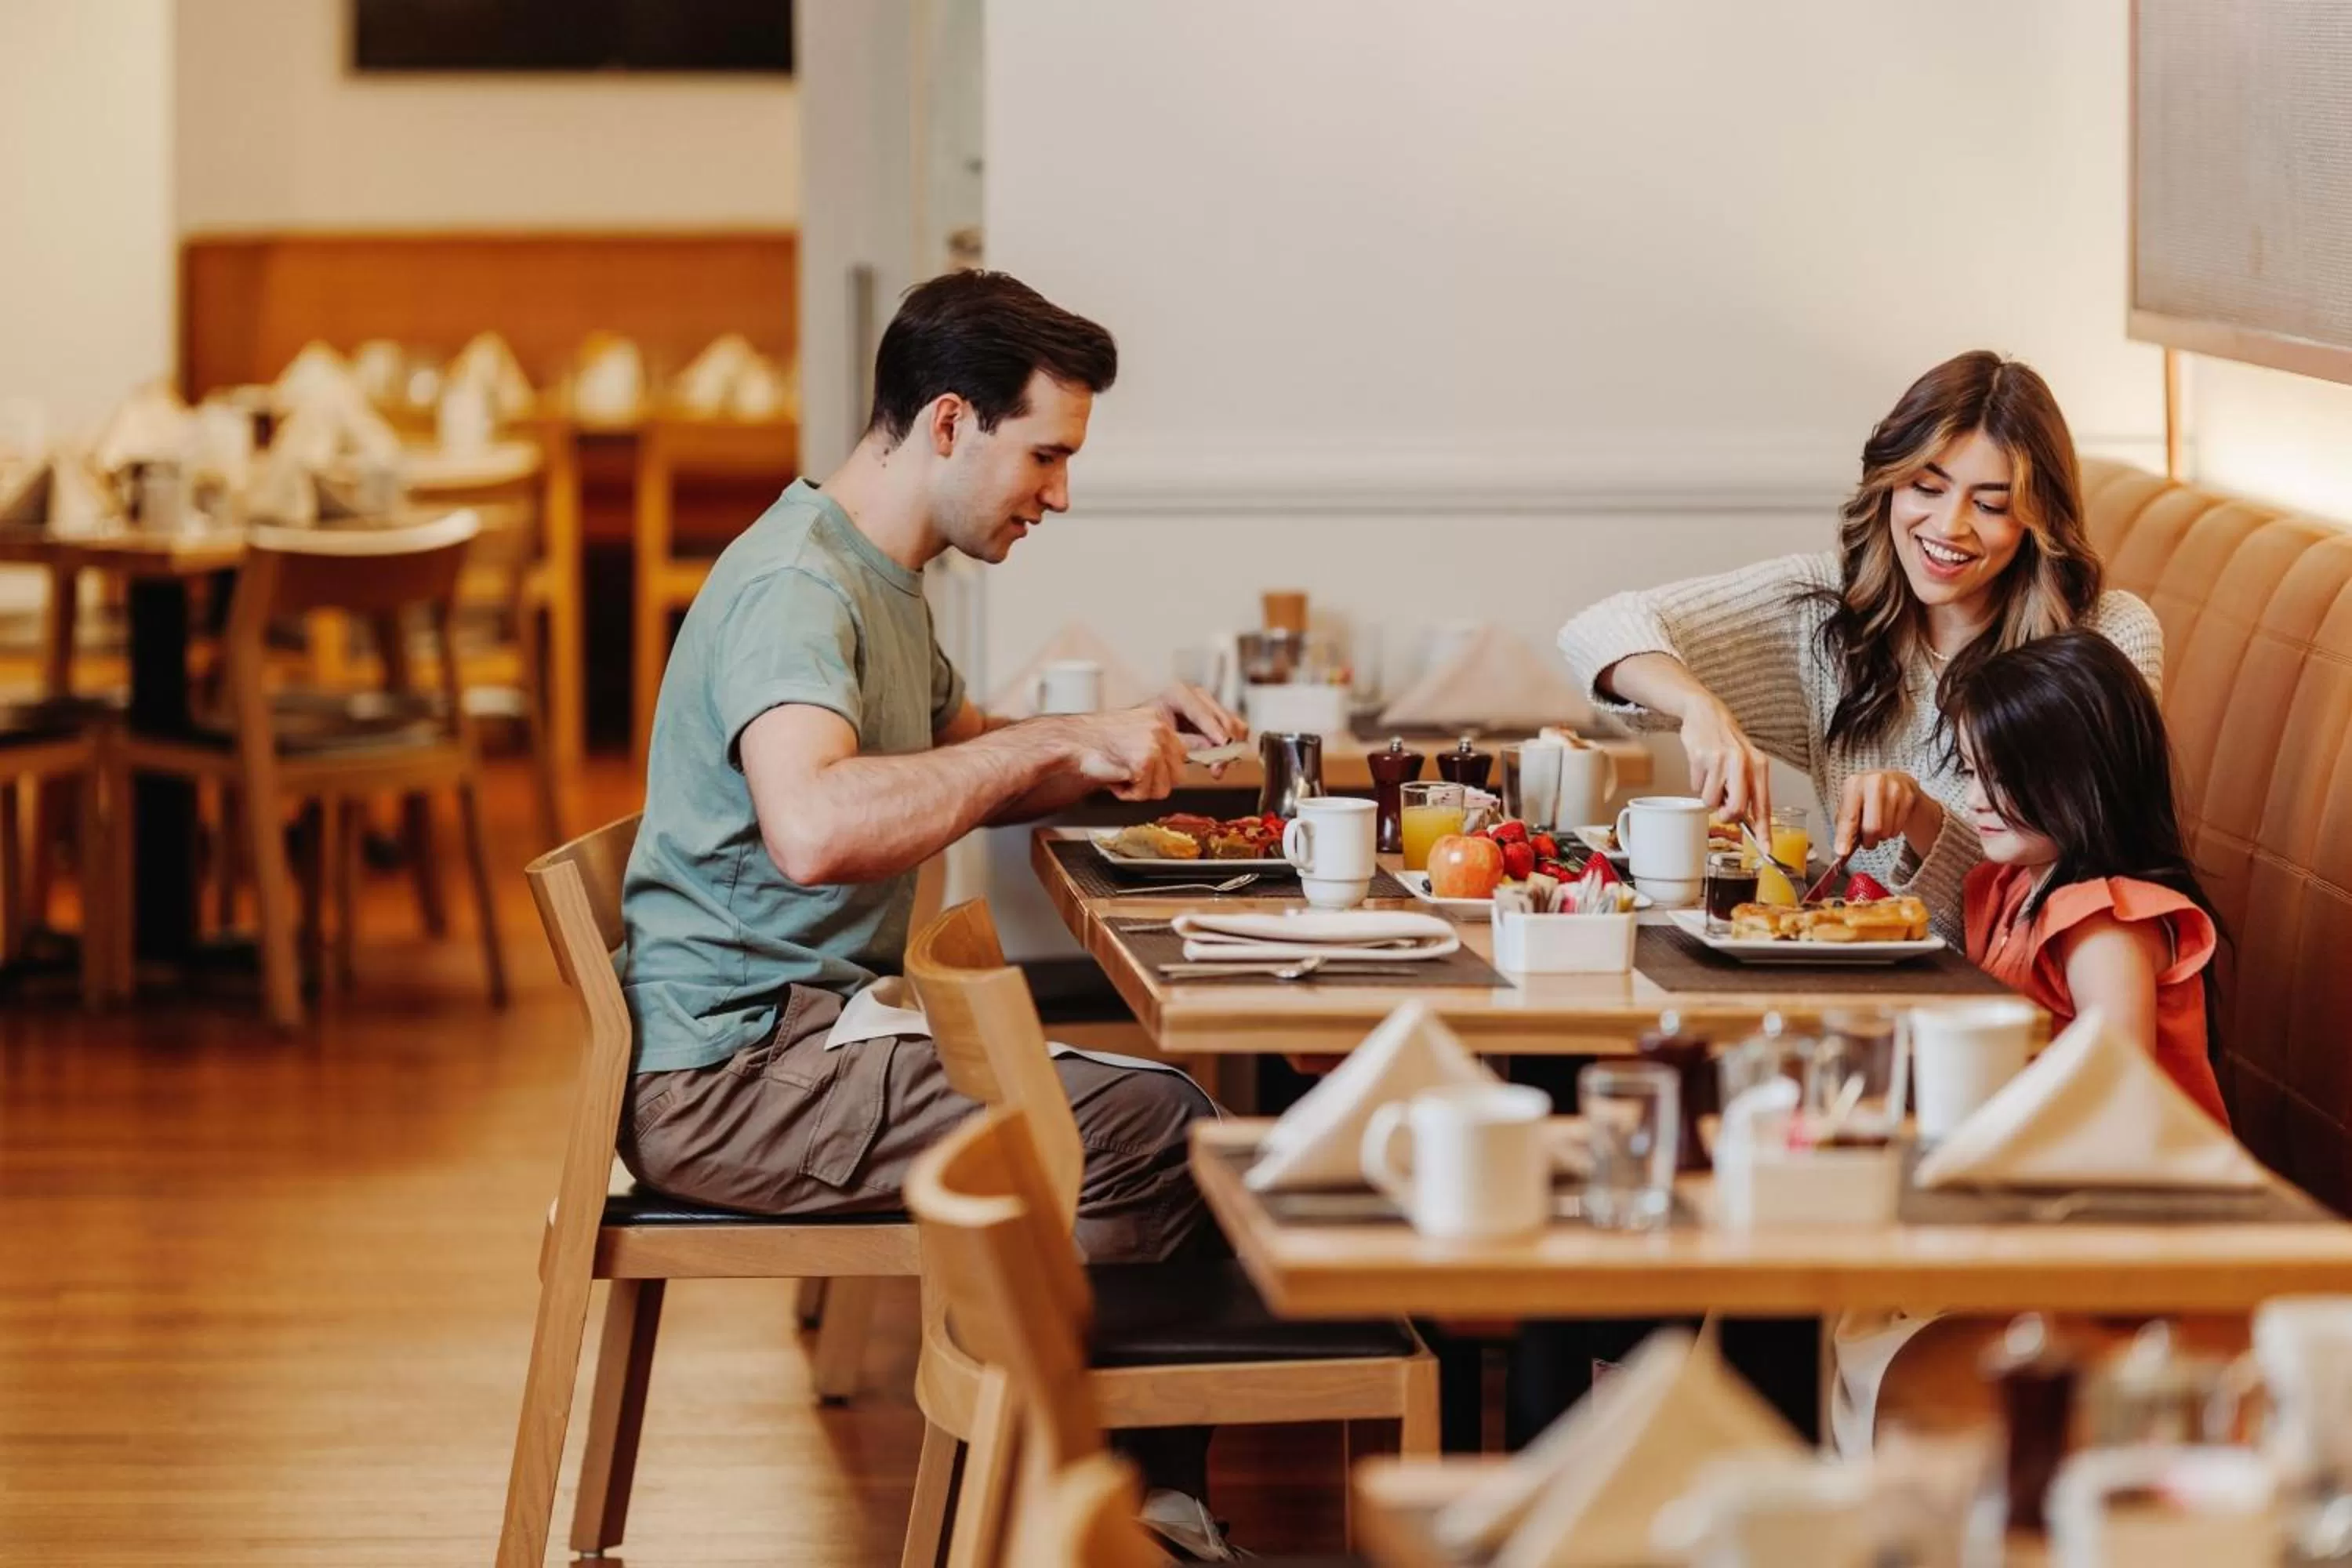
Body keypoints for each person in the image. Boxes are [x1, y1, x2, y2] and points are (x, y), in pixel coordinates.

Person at [615, 270, 1251, 1556]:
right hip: (740, 1072)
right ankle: (1118, 1516)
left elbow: (958, 750)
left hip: (801, 1036)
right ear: (951, 423)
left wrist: (1110, 744)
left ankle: (1074, 1490)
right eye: (1047, 456)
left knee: (1152, 1128)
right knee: (1163, 1131)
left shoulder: (875, 576)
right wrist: (1059, 745)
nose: (1060, 494)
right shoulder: (801, 586)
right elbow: (820, 826)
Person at [1556, 350, 2163, 940]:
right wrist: (1701, 710)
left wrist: (1924, 818)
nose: (1949, 526)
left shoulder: (2102, 640)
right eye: (1926, 487)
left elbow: (2072, 897)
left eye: (1990, 504)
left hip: (1999, 1006)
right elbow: (1601, 629)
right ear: (1889, 486)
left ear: (2038, 520)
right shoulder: (1831, 610)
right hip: (1858, 980)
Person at [1834, 630, 2234, 1451]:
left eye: (2003, 776)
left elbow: (2111, 1088)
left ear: (2079, 778)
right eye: (1974, 771)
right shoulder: (2016, 885)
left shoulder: (2103, 922)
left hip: (2125, 1227)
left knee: (1832, 1292)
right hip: (2030, 1198)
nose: (1978, 796)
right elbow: (1960, 866)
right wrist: (1913, 810)